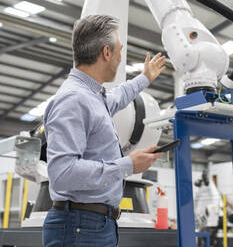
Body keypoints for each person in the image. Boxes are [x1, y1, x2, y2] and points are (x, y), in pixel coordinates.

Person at [42, 14, 166, 246]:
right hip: (80, 228)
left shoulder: (91, 96)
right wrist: (128, 164)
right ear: (106, 53)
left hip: (91, 224)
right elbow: (61, 174)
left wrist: (145, 78)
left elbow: (118, 97)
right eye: (120, 49)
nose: (121, 56)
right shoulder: (73, 99)